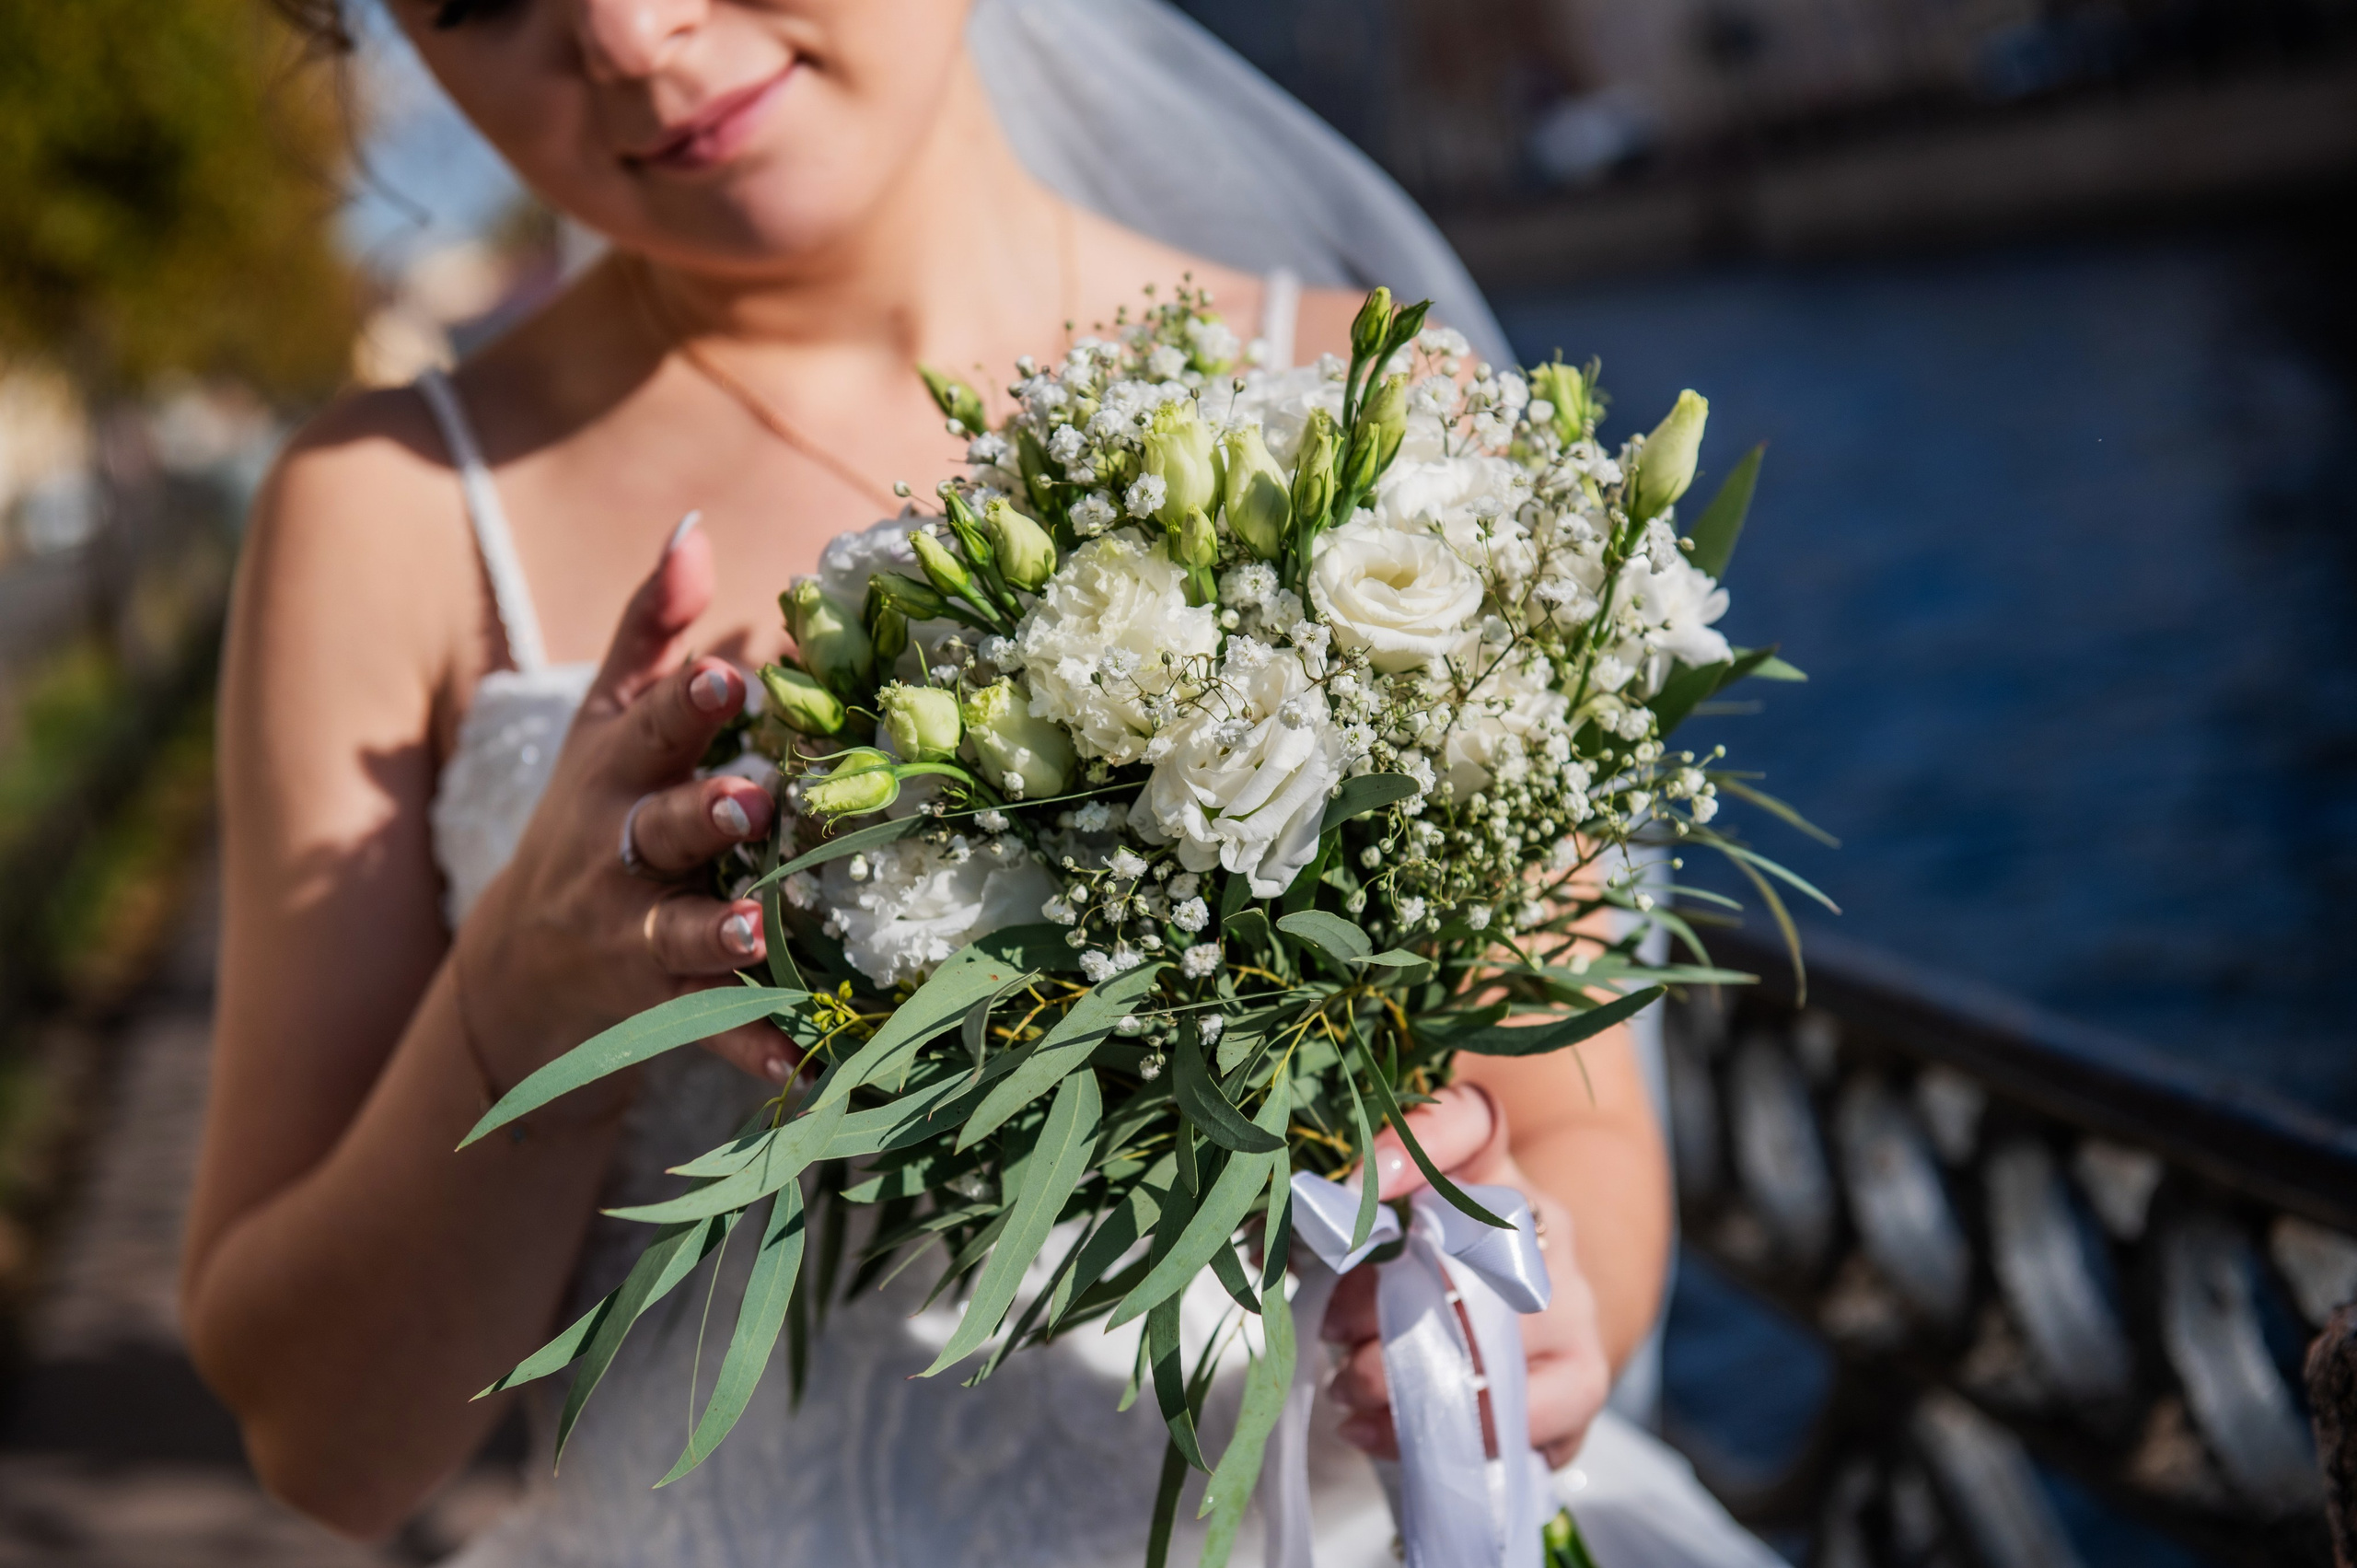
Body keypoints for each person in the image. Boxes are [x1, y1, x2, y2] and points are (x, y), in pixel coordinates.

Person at [182, 1, 1781, 1562]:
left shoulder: (1375, 408)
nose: (625, 34)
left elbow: (1579, 1138)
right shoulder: (388, 516)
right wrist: (526, 997)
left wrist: (1550, 1302)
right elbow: (329, 1452)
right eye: (479, 1)